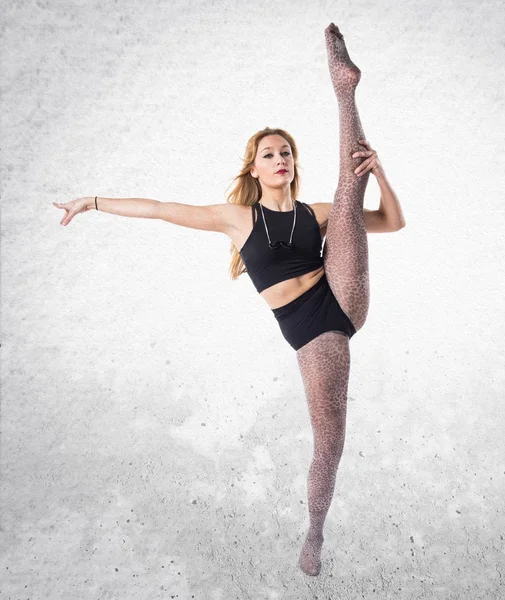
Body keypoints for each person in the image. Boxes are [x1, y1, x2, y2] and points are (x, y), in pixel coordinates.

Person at [53, 23, 405, 576]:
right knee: (329, 441)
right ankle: (315, 530)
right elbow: (161, 208)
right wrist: (92, 201)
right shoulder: (236, 219)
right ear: (255, 168)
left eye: (286, 151)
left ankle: (344, 87)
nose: (281, 159)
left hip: (343, 293)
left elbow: (390, 222)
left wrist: (380, 173)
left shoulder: (314, 213)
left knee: (348, 188)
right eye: (270, 154)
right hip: (313, 331)